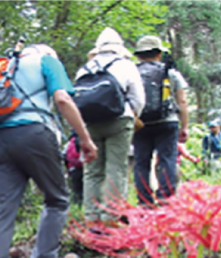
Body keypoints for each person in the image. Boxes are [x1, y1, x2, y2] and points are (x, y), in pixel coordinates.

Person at [0, 44, 97, 258]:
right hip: (34, 132)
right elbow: (62, 98)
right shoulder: (47, 62)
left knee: (0, 211)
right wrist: (84, 138)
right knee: (57, 198)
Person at [75, 27, 144, 223]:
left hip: (89, 124)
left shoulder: (84, 69)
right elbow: (139, 98)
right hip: (119, 121)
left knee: (92, 171)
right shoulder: (126, 65)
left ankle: (91, 216)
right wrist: (133, 114)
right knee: (116, 167)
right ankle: (110, 215)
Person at [132, 35, 189, 204]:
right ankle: (166, 199)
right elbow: (182, 102)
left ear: (139, 55)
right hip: (167, 121)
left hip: (140, 124)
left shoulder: (132, 72)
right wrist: (184, 126)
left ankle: (144, 201)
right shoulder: (170, 73)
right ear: (158, 54)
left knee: (141, 162)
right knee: (167, 159)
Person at [64, 131, 84, 205]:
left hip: (74, 170)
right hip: (86, 169)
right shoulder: (87, 138)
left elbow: (65, 157)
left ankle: (77, 206)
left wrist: (69, 171)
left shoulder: (70, 142)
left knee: (77, 191)